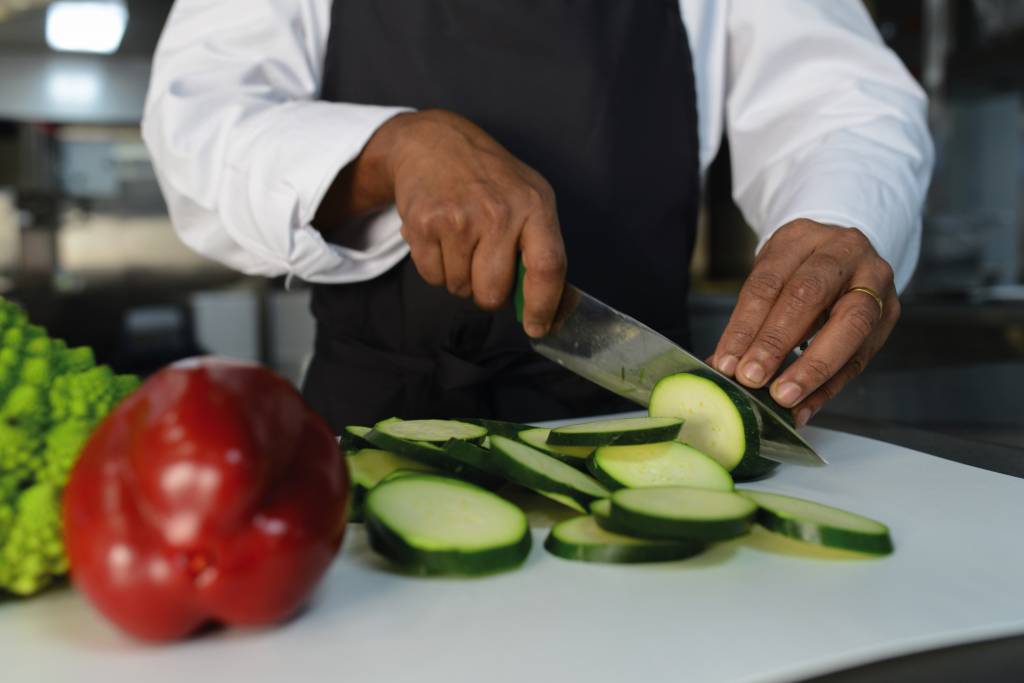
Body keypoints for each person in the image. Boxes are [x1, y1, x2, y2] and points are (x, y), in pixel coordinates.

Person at [142, 0, 933, 431]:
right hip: (374, 426)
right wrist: (389, 150)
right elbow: (197, 121)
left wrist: (842, 214)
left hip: (638, 418)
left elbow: (839, 100)